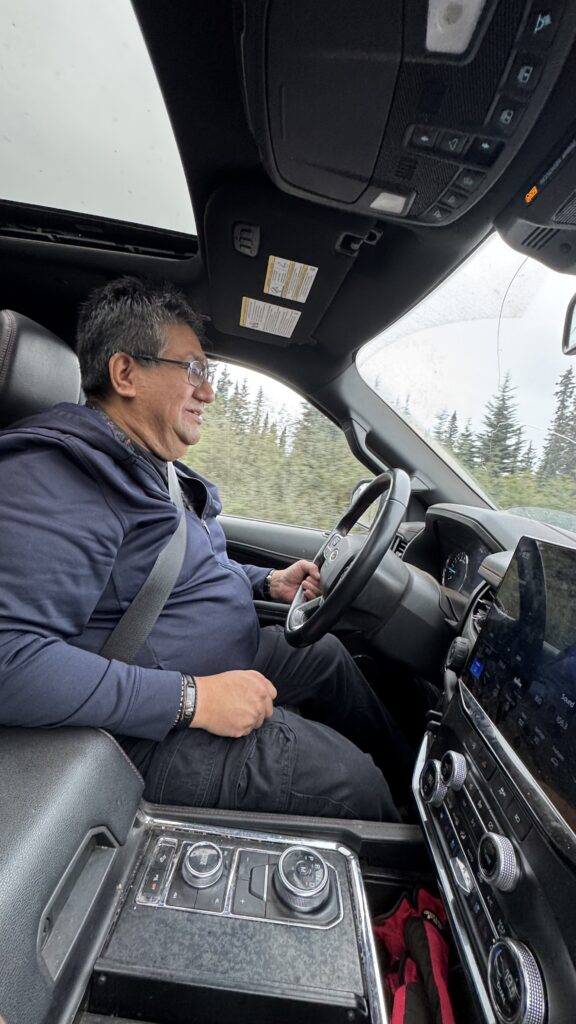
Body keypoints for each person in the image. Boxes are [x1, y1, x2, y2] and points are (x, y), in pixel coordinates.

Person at [0, 277, 414, 820]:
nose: (209, 391)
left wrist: (263, 583)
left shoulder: (145, 464)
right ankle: (413, 880)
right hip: (138, 728)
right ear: (125, 373)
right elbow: (9, 661)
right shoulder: (55, 477)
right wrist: (192, 700)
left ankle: (415, 798)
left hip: (215, 662)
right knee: (350, 783)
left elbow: (184, 569)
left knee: (325, 656)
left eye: (208, 373)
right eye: (192, 370)